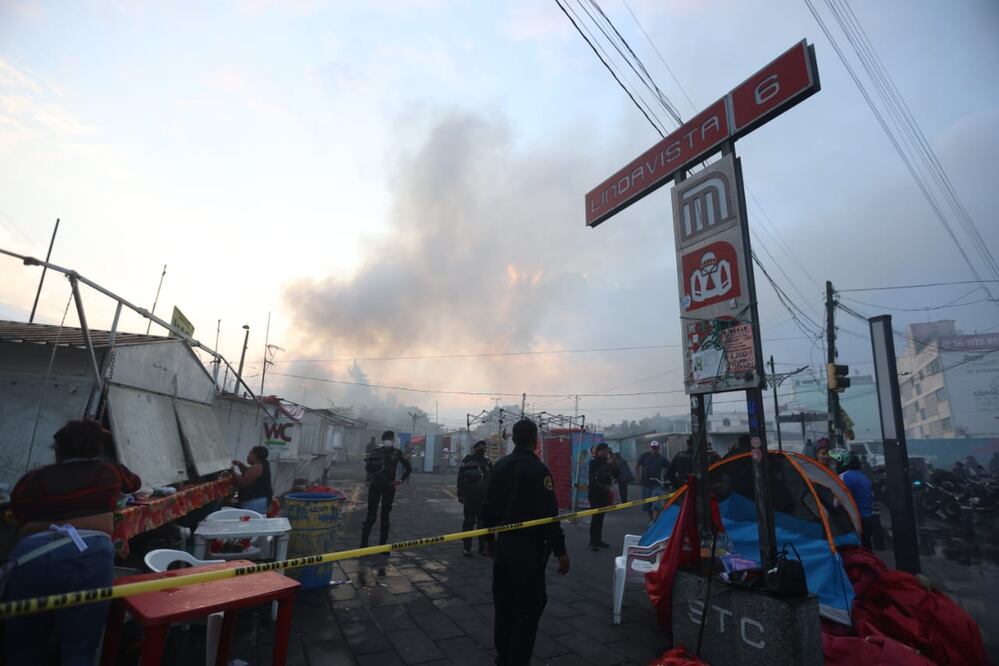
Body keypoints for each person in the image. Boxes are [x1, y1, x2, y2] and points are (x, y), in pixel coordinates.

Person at [4, 419, 142, 666]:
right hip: (89, 556)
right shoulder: (110, 472)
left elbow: (18, 512)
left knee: (23, 645)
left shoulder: (33, 480)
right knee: (79, 646)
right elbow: (135, 484)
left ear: (58, 449)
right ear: (97, 448)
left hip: (33, 555)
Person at [481, 418, 569, 666]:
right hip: (529, 552)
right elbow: (550, 516)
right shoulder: (538, 470)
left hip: (503, 547)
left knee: (503, 605)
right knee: (528, 609)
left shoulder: (500, 467)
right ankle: (517, 660)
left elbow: (487, 509)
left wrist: (488, 539)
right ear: (535, 440)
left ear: (512, 438)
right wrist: (561, 551)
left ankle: (503, 656)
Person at [361, 430, 412, 547]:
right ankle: (382, 547)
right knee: (384, 517)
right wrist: (401, 480)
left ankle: (363, 547)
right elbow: (408, 468)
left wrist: (369, 480)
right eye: (389, 439)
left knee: (371, 516)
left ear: (382, 440)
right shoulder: (397, 453)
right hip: (388, 487)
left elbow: (367, 468)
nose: (389, 441)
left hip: (375, 486)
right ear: (392, 440)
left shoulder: (376, 451)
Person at [457, 440, 493, 557]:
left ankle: (482, 548)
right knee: (469, 522)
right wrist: (460, 494)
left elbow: (492, 479)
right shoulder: (468, 460)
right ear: (475, 448)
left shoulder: (487, 462)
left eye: (484, 447)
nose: (482, 449)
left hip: (485, 499)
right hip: (471, 498)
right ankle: (467, 548)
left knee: (482, 524)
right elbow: (460, 478)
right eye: (480, 448)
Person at [840, 454, 877, 550]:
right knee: (867, 550)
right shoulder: (865, 478)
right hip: (867, 518)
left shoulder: (844, 476)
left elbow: (838, 498)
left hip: (853, 521)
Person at [587, 443, 617, 551]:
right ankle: (593, 541)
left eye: (606, 450)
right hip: (595, 493)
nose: (605, 452)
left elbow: (614, 473)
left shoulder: (606, 462)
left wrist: (611, 462)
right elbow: (593, 478)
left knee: (601, 517)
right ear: (598, 451)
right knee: (595, 517)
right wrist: (603, 486)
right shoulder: (594, 462)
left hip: (604, 492)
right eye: (603, 451)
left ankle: (598, 540)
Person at [231, 445, 272, 514]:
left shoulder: (257, 467)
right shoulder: (263, 464)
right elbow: (248, 472)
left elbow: (242, 482)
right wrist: (240, 465)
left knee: (251, 523)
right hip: (257, 501)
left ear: (255, 455)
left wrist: (232, 471)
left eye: (250, 454)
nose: (248, 456)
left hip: (254, 502)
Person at [637, 441, 668, 521]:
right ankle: (651, 521)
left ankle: (655, 520)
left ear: (658, 448)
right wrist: (638, 477)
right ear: (650, 447)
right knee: (647, 504)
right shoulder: (644, 456)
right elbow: (637, 465)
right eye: (653, 447)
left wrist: (666, 478)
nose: (654, 449)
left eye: (656, 448)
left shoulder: (661, 458)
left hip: (656, 484)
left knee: (656, 503)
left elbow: (669, 466)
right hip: (645, 483)